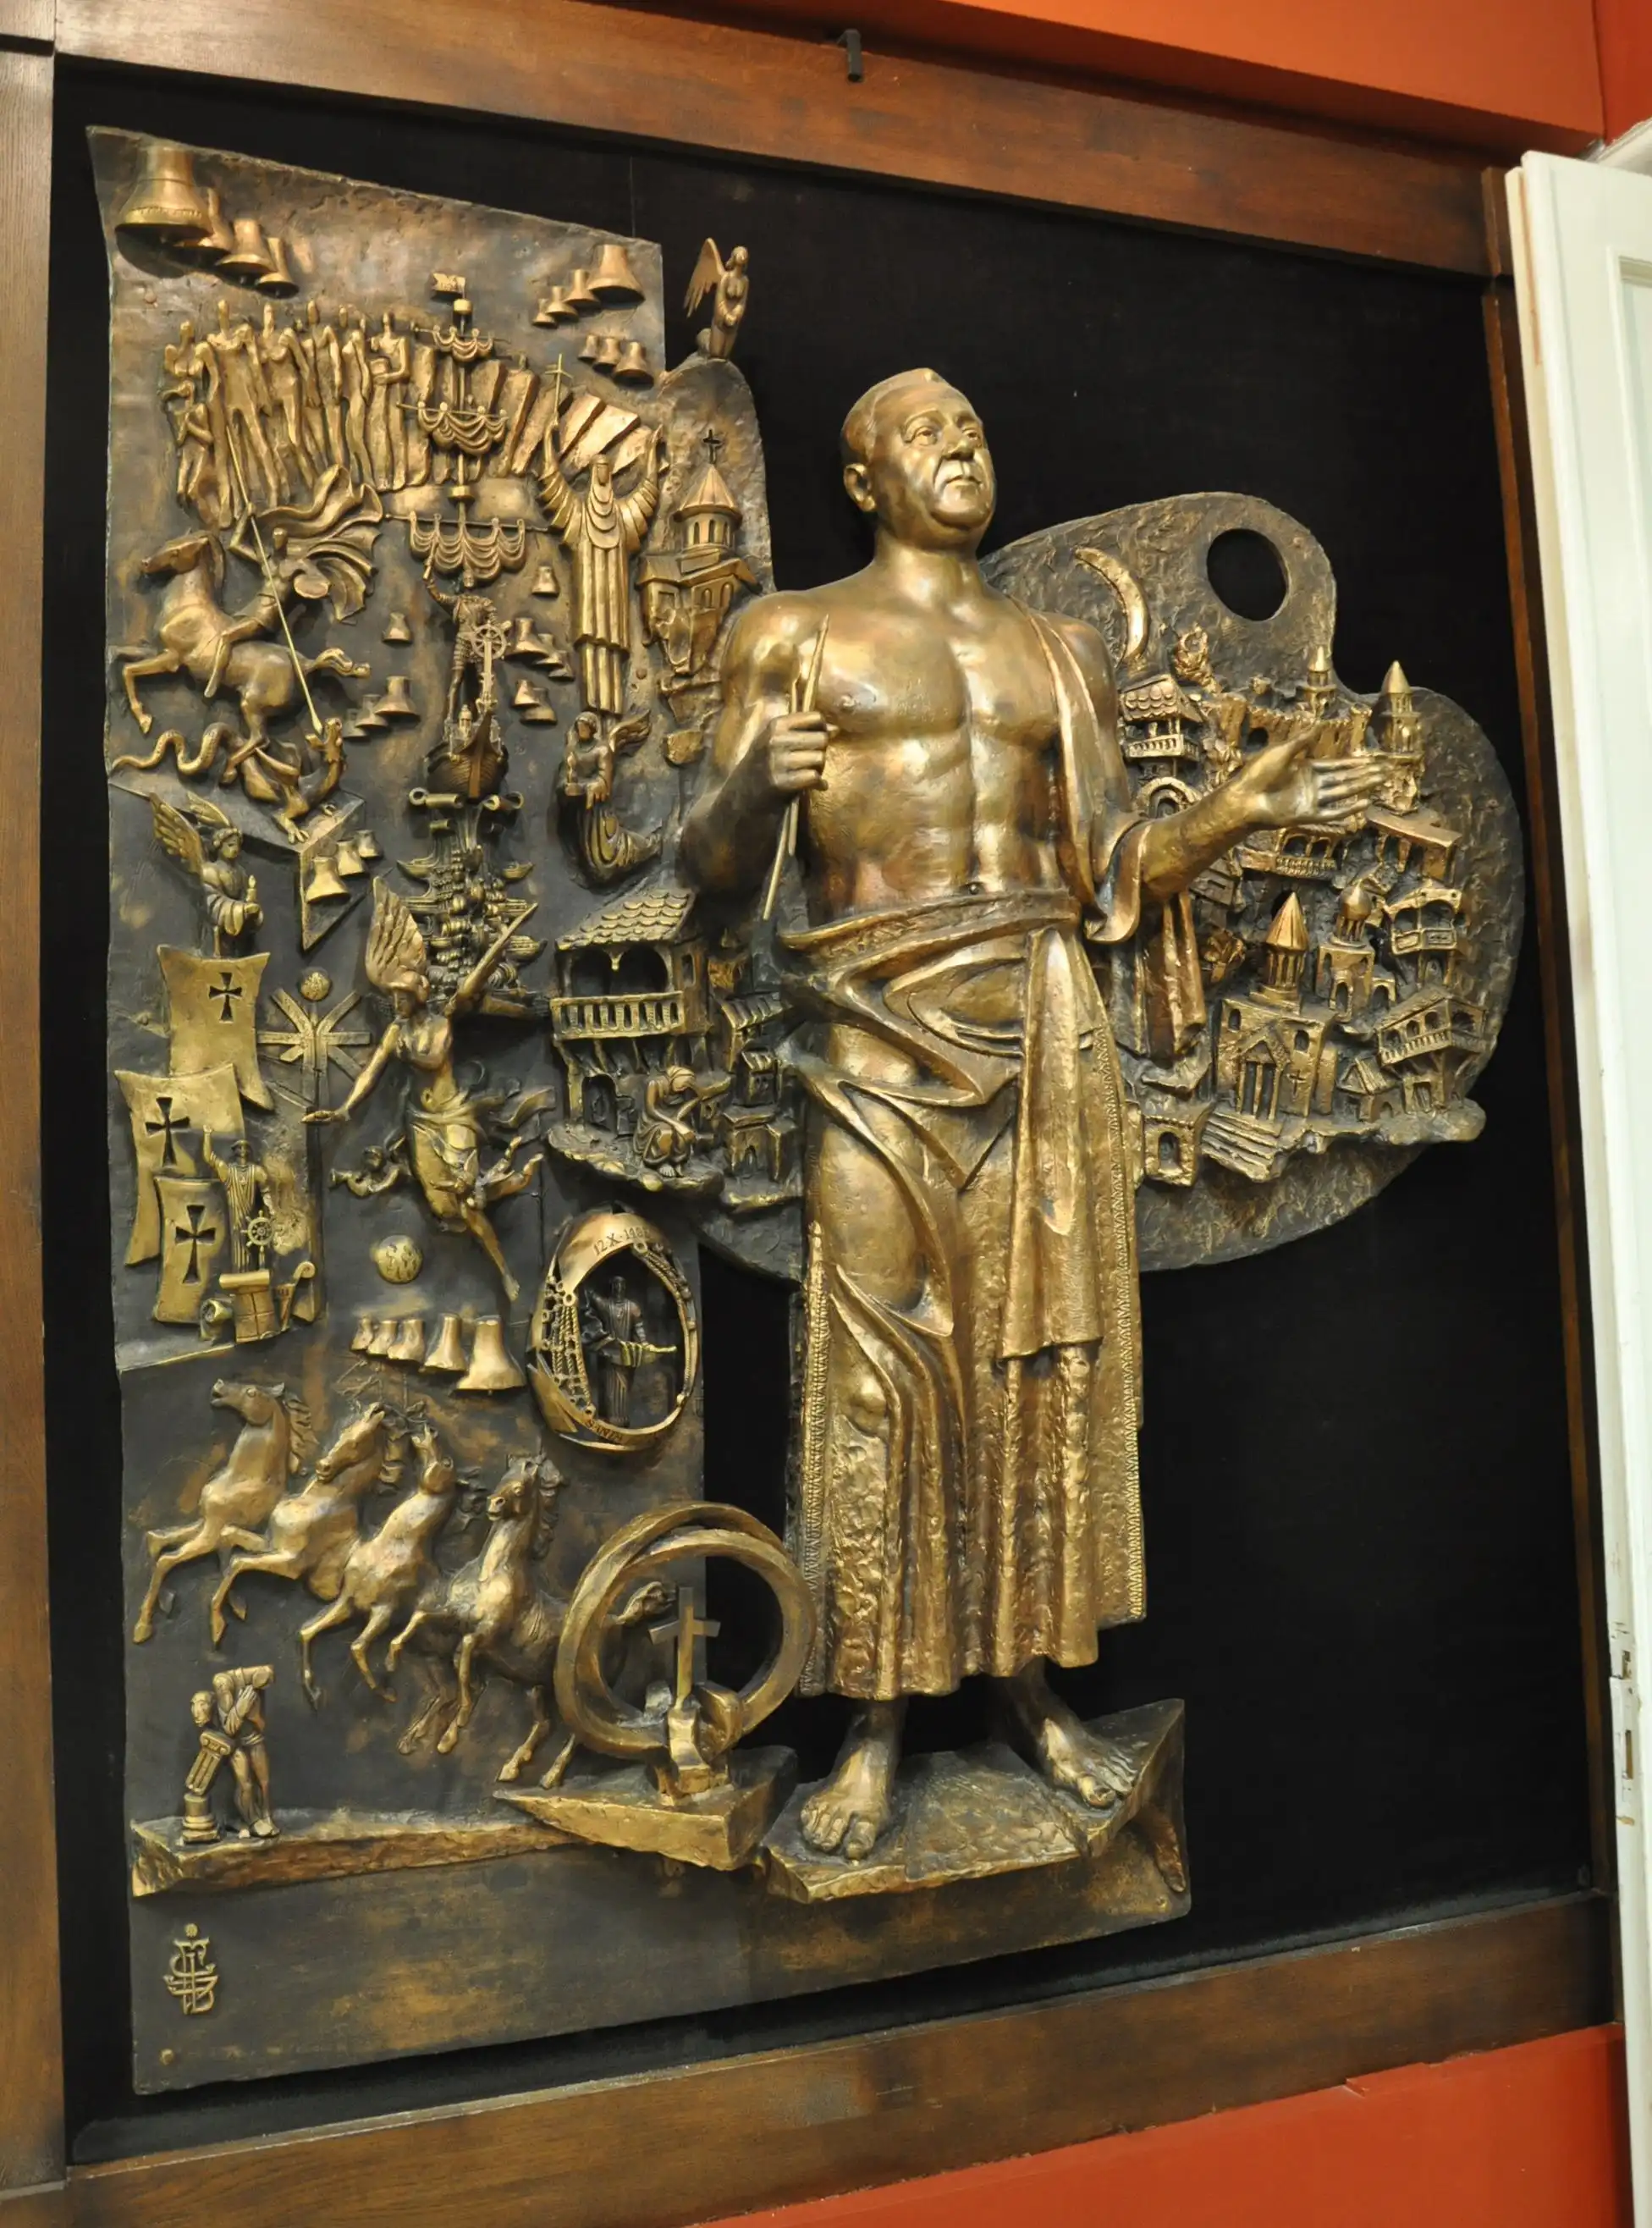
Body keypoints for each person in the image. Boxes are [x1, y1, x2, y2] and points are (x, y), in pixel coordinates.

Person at [680, 368, 1382, 1860]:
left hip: (1042, 1017)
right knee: (880, 1374)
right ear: (863, 481)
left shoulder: (1056, 653)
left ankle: (1027, 1691)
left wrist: (1236, 813)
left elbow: (1116, 868)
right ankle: (873, 1722)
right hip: (875, 1033)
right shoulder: (792, 634)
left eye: (972, 430)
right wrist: (748, 788)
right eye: (924, 434)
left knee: (1035, 1374)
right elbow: (713, 877)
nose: (959, 447)